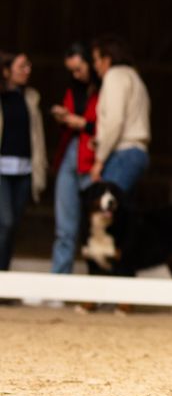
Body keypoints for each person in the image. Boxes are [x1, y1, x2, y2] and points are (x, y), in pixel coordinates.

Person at [50, 43, 100, 274]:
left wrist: (83, 124)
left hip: (93, 158)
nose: (76, 74)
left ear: (90, 63)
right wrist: (62, 117)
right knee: (65, 226)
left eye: (79, 68)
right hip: (70, 154)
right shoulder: (72, 89)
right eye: (71, 70)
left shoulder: (104, 88)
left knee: (97, 225)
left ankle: (100, 286)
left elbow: (109, 126)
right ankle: (59, 283)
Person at [0, 52, 47, 271]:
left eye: (28, 65)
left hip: (24, 170)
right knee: (5, 222)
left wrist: (39, 169)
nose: (27, 70)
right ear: (6, 70)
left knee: (13, 227)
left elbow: (37, 136)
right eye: (21, 66)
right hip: (1, 170)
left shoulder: (30, 97)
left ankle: (5, 281)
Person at [90, 35, 150, 195]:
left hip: (124, 154)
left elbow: (115, 121)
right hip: (137, 153)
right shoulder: (134, 77)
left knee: (106, 206)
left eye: (96, 60)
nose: (95, 66)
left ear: (107, 60)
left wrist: (99, 160)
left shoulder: (114, 76)